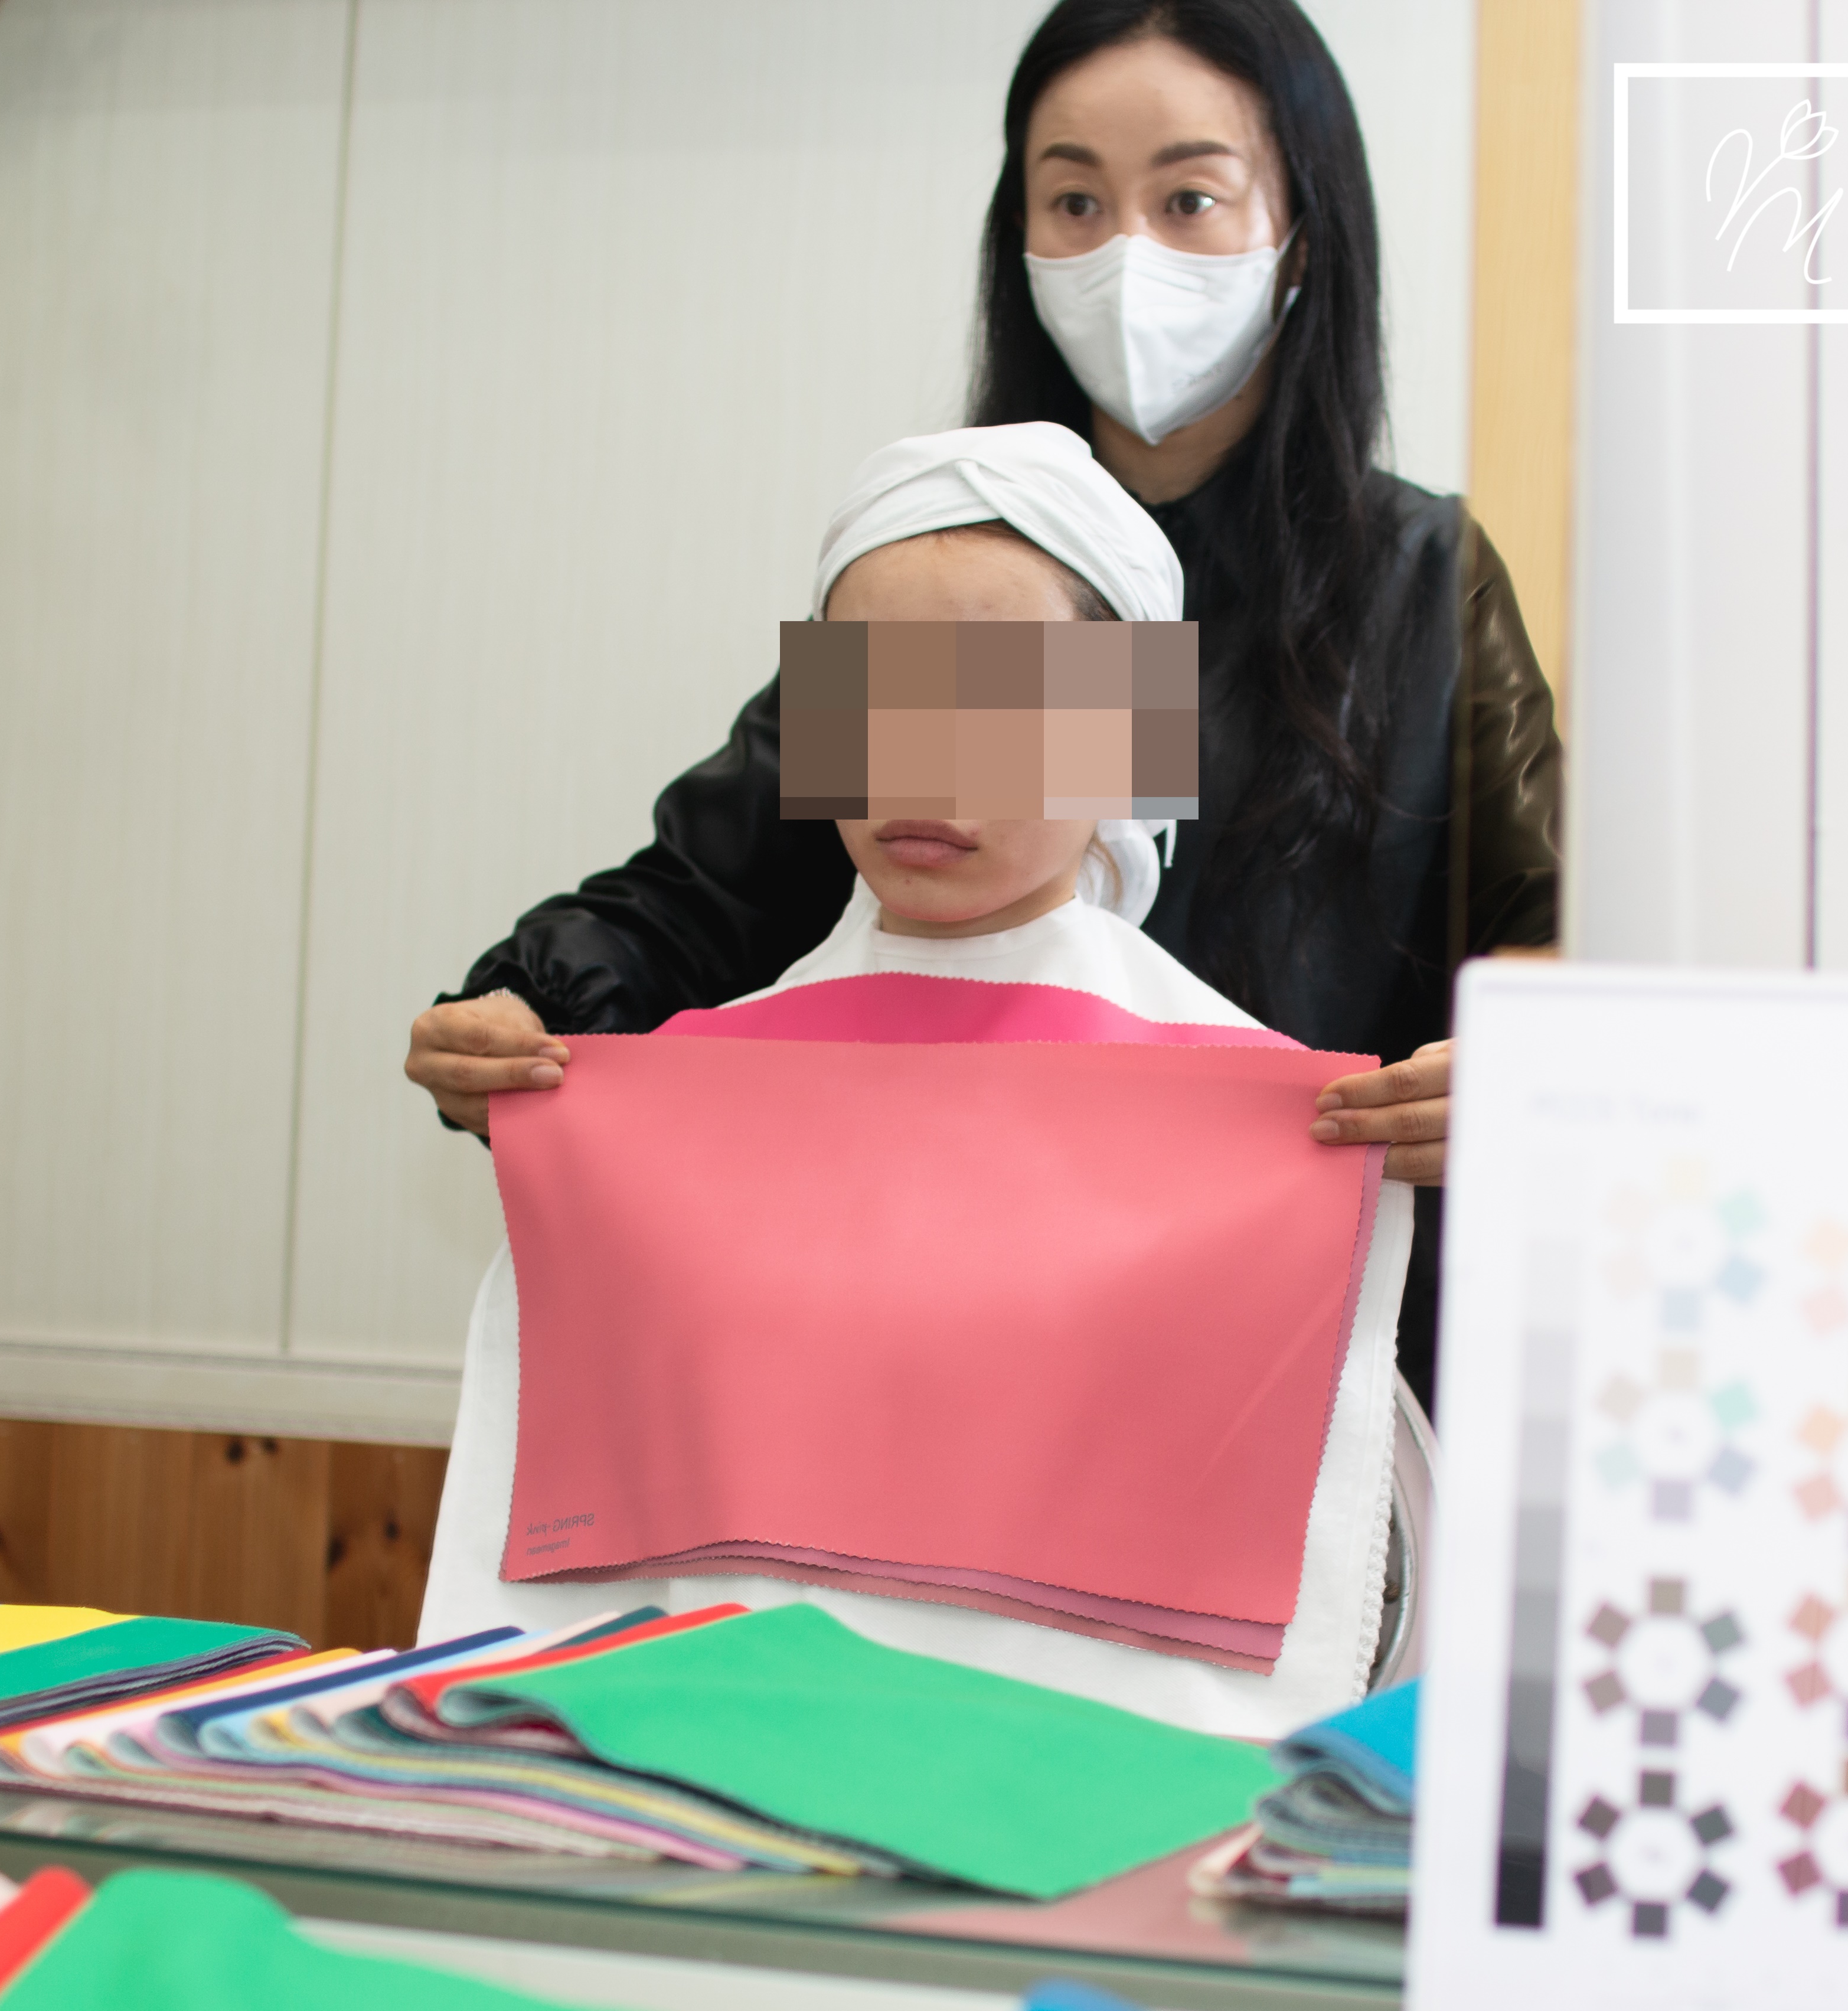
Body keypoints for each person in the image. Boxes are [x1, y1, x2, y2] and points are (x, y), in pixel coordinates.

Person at [406, 0, 1559, 1400]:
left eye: (1189, 198)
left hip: (1275, 1358)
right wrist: (523, 1007)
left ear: (1303, 232)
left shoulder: (1417, 577)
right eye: (1074, 201)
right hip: (953, 1338)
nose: (1126, 250)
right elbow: (704, 898)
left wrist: (1525, 1074)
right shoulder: (948, 559)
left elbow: (1551, 934)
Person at [417, 425, 1412, 1737]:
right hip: (711, 1783)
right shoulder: (682, 1093)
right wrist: (524, 1056)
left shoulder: (1287, 1121)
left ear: (1128, 731)